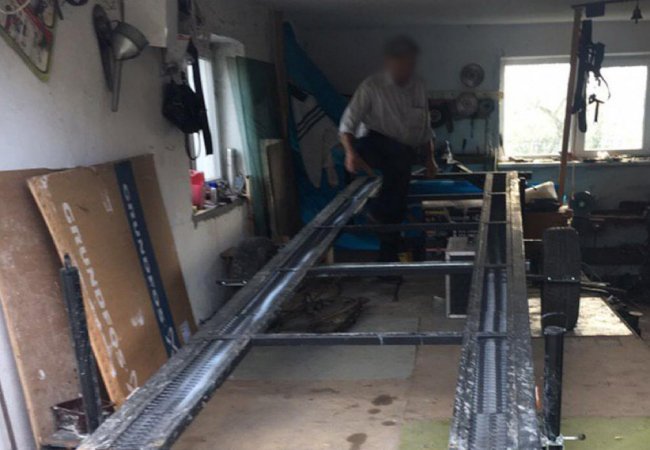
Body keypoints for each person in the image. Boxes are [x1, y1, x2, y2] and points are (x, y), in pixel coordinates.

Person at [339, 35, 438, 262]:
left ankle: (388, 262)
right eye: (401, 63)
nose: (405, 69)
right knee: (398, 162)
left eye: (410, 63)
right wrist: (350, 154)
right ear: (389, 62)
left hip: (402, 153)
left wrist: (430, 159)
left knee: (397, 204)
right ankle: (374, 213)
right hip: (372, 145)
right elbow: (347, 124)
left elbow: (425, 128)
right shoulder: (372, 86)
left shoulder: (418, 86)